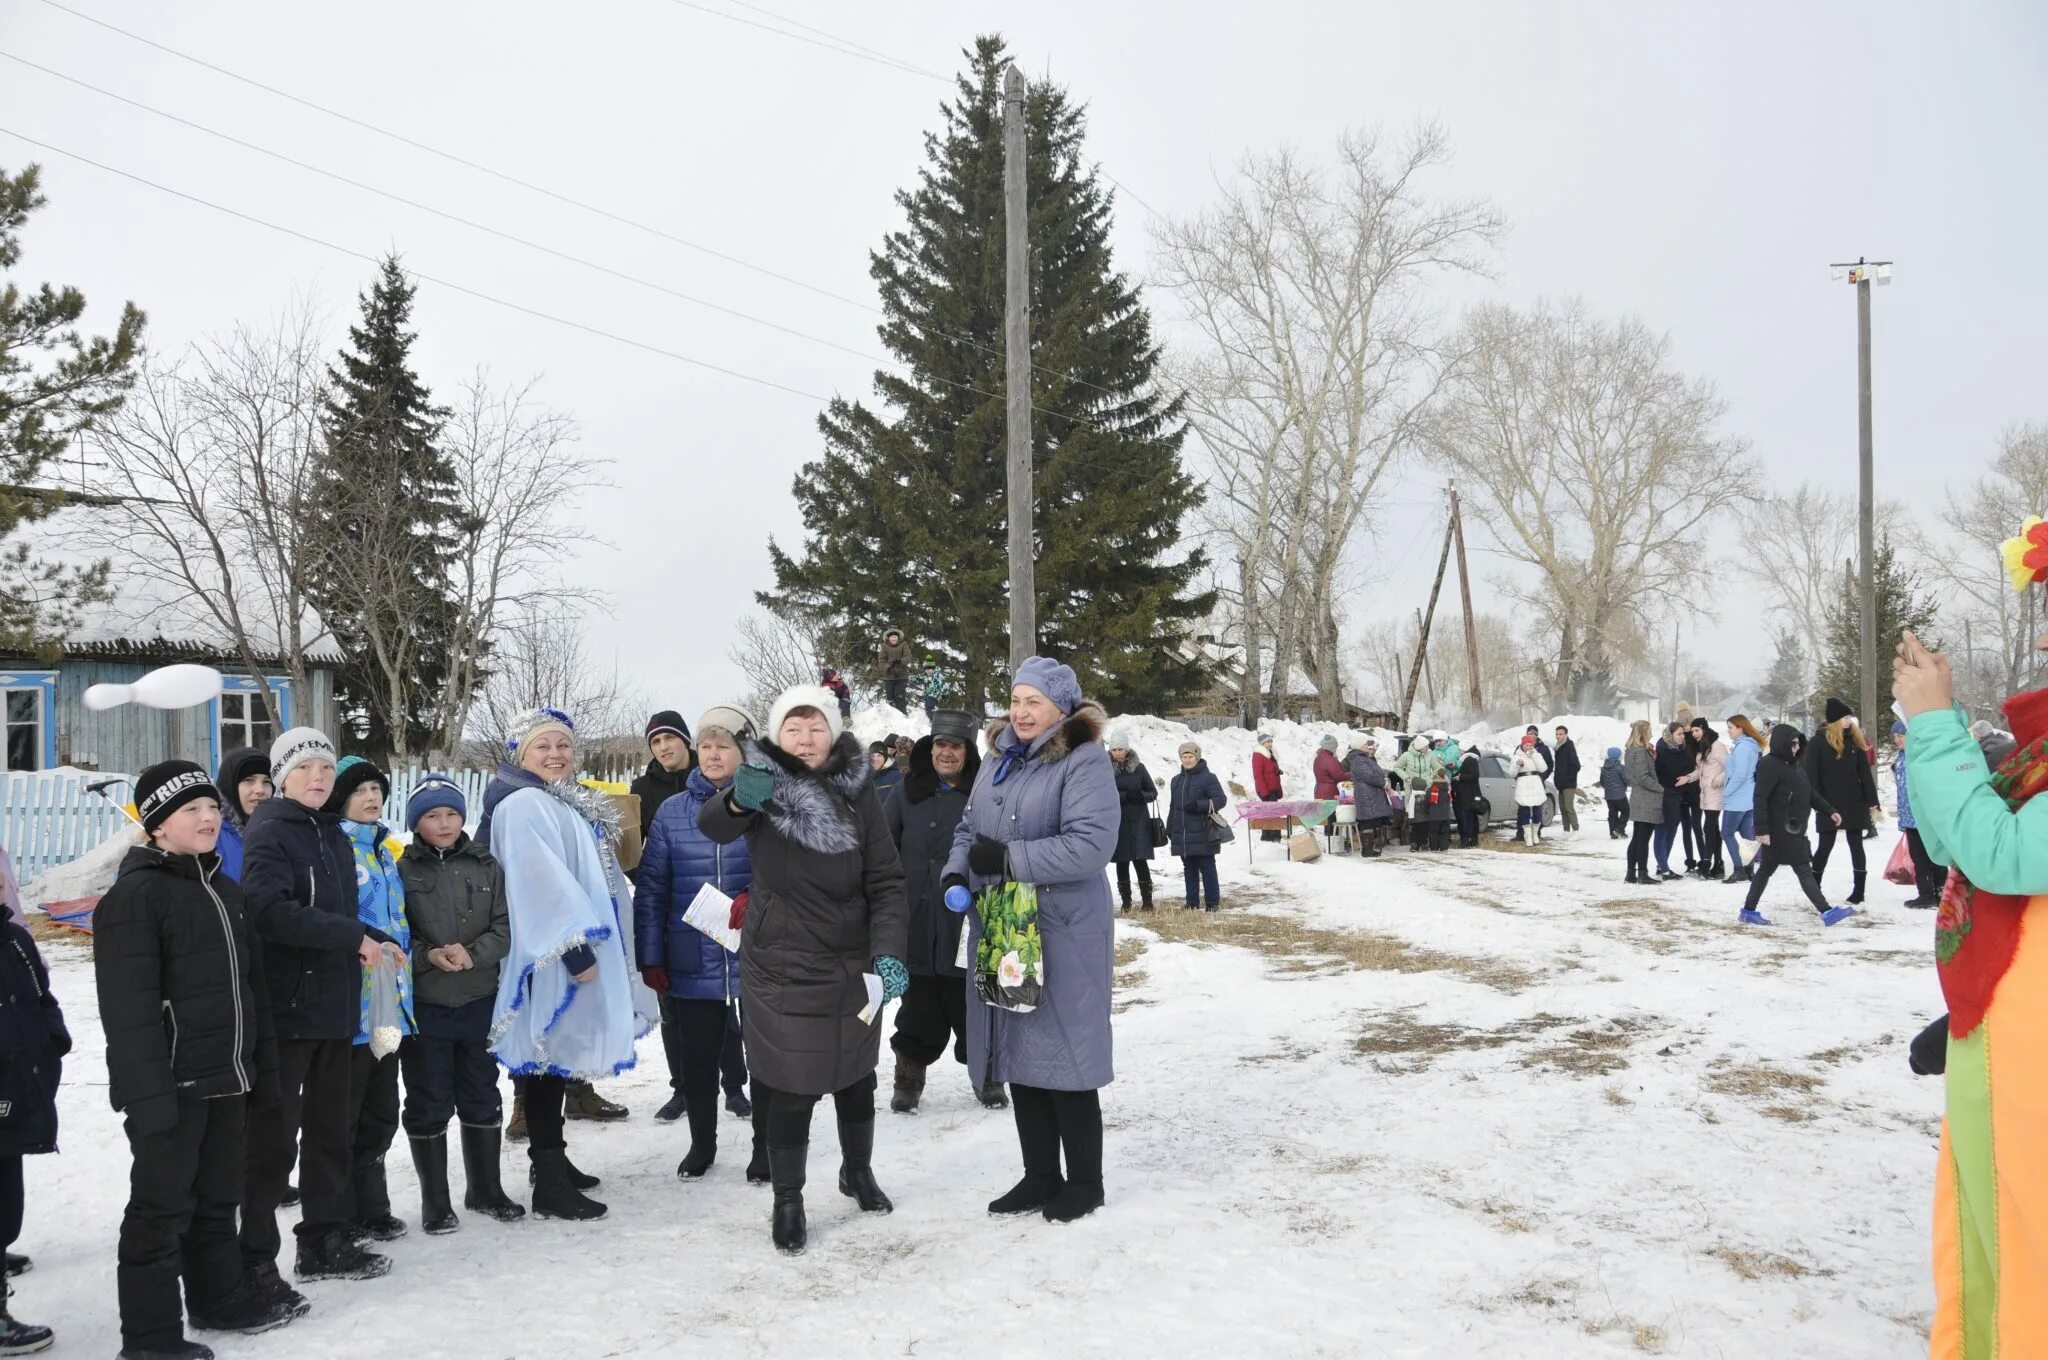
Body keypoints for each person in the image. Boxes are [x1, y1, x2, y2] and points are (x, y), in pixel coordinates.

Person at [96, 760, 300, 1356]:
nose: (210, 817)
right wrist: (148, 1099)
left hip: (228, 1078)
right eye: (192, 810)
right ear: (157, 825)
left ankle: (219, 1300)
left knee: (218, 1201)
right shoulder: (136, 898)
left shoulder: (224, 890)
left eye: (212, 807)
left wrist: (260, 1074)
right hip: (172, 1089)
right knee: (160, 1213)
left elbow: (252, 993)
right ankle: (151, 1339)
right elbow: (128, 1015)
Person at [700, 687, 909, 1255]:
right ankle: (787, 1199)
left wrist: (889, 951)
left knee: (857, 1075)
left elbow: (886, 879)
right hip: (783, 961)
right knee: (792, 1085)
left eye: (816, 727)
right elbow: (713, 825)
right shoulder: (762, 782)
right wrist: (741, 801)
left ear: (834, 732)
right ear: (777, 736)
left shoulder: (859, 789)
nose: (806, 738)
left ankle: (856, 1171)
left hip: (852, 959)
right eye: (794, 728)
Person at [1893, 606, 2048, 1357]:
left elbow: (2002, 854)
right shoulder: (2037, 750)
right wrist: (1937, 723)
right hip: (2008, 1041)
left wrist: (1932, 726)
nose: (2044, 639)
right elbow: (1957, 838)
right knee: (1998, 1235)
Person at [944, 658, 1118, 1224]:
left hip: (1061, 928)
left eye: (1033, 702)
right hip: (1003, 923)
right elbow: (969, 830)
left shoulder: (1084, 760)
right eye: (1016, 700)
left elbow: (1091, 845)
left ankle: (1085, 1182)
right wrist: (956, 872)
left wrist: (1010, 859)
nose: (1020, 712)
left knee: (1066, 1049)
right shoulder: (996, 760)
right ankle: (1041, 1174)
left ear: (1060, 708)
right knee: (1019, 1048)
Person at [485, 707, 657, 1223]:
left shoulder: (558, 799)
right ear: (521, 754)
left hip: (570, 948)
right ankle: (549, 1181)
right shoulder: (523, 805)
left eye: (563, 745)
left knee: (554, 1061)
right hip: (554, 952)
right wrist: (577, 950)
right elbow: (537, 882)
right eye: (544, 747)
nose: (556, 755)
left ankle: (552, 1163)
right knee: (543, 1062)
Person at [240, 728, 395, 1293]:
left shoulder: (330, 834)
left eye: (325, 768)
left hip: (335, 1007)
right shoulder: (270, 832)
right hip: (287, 1010)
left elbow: (337, 912)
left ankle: (324, 1242)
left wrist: (378, 936)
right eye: (304, 768)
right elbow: (268, 914)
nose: (318, 778)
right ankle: (254, 1257)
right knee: (273, 1143)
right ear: (283, 776)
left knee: (332, 1131)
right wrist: (354, 935)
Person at [635, 704, 768, 1182]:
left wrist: (760, 895)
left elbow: (788, 867)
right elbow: (652, 888)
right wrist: (651, 954)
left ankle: (765, 1148)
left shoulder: (765, 801)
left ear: (743, 751)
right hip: (691, 951)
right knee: (697, 1057)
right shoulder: (672, 812)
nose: (712, 754)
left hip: (758, 950)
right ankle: (702, 1144)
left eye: (723, 745)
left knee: (765, 1056)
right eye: (706, 746)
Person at [395, 775, 524, 1234]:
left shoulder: (486, 864)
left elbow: (505, 926)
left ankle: (485, 1189)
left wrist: (475, 953)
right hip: (427, 1006)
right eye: (432, 816)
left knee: (481, 1092)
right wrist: (427, 956)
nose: (444, 823)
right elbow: (395, 934)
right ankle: (435, 1201)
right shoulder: (402, 870)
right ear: (416, 824)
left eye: (451, 814)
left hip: (477, 1000)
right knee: (428, 1098)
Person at [886, 710, 1003, 1112]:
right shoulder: (905, 791)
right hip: (917, 915)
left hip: (968, 917)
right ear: (930, 748)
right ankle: (908, 1075)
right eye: (940, 745)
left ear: (968, 752)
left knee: (973, 997)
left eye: (955, 746)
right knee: (917, 1001)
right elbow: (884, 848)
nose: (946, 753)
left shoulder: (984, 793)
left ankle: (987, 1075)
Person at [326, 757, 415, 1244]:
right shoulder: (335, 848)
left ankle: (372, 1205)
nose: (371, 797)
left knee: (382, 1108)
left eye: (376, 789)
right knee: (347, 1113)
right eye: (359, 789)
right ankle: (340, 1213)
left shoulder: (384, 849)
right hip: (350, 1009)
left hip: (389, 1007)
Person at [0, 901, 65, 1354]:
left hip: (16, 1085)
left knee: (6, 1202)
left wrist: (52, 1038)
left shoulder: (13, 937)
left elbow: (42, 997)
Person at [1742, 724, 1853, 927]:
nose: (1795, 747)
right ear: (1782, 743)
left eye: (1798, 744)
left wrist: (1830, 810)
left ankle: (1748, 910)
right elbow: (1760, 798)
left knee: (1766, 869)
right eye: (1792, 743)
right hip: (1780, 829)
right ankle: (1827, 912)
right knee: (1803, 868)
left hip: (1794, 826)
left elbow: (1808, 793)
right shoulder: (1769, 764)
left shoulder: (1794, 764)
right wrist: (1761, 830)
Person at [1806, 699, 1882, 904]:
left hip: (1853, 801)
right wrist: (1819, 804)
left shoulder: (1854, 742)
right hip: (1828, 803)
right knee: (1825, 845)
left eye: (1850, 717)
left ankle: (1859, 891)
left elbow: (1864, 773)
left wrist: (1872, 801)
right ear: (1834, 720)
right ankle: (1814, 888)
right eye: (1845, 717)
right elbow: (1811, 778)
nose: (1850, 721)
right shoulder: (1817, 743)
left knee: (1856, 844)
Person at [1892, 719, 1945, 908]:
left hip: (1925, 815)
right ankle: (1926, 893)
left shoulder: (1921, 755)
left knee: (1933, 856)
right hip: (1909, 816)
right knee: (1918, 857)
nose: (1897, 740)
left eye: (1901, 736)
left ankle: (1940, 892)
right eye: (1895, 737)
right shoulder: (1901, 756)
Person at [1167, 742, 1225, 907]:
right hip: (1183, 831)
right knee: (1188, 868)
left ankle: (1212, 903)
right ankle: (1191, 902)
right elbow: (1173, 806)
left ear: (1197, 757)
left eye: (1190, 756)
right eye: (1184, 757)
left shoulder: (1208, 778)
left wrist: (1200, 805)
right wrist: (1170, 827)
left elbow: (1221, 800)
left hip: (1203, 830)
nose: (1187, 760)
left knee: (1207, 868)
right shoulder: (1176, 780)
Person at [1107, 731, 1158, 910]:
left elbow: (1153, 792)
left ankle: (1147, 901)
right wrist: (1125, 796)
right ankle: (1126, 902)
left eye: (1120, 748)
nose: (1118, 752)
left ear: (1127, 749)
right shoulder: (1104, 768)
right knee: (1122, 862)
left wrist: (1141, 796)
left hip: (1139, 820)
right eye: (1114, 749)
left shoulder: (1139, 768)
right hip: (1117, 820)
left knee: (1140, 860)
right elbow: (1101, 793)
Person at [629, 711, 694, 842]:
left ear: (685, 741)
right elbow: (632, 850)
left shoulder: (708, 779)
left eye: (669, 737)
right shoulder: (642, 788)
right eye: (656, 742)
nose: (663, 747)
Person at [212, 747, 271, 883]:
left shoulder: (278, 830)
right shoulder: (211, 833)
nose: (260, 790)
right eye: (249, 780)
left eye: (266, 781)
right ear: (230, 785)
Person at [1720, 716, 1766, 883]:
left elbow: (1739, 775)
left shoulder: (1742, 748)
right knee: (1747, 834)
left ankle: (1739, 868)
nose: (1729, 730)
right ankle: (1748, 869)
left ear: (1741, 728)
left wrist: (1726, 793)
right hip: (1748, 797)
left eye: (1731, 727)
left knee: (1727, 833)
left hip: (1737, 799)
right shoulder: (1751, 745)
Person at [1651, 722, 1696, 880]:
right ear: (1670, 735)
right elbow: (1655, 773)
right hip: (1664, 795)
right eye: (1679, 734)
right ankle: (1664, 869)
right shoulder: (1661, 750)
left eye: (1683, 734)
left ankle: (1661, 865)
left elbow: (1691, 766)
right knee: (1662, 831)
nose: (1683, 737)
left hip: (1679, 796)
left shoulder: (1684, 748)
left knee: (1672, 830)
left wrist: (1688, 777)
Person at [1622, 721, 1665, 886]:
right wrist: (1660, 788)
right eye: (1650, 731)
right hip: (1647, 798)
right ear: (1642, 733)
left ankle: (1631, 873)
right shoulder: (1640, 752)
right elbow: (1643, 776)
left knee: (1637, 838)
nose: (1652, 734)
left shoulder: (1630, 751)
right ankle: (1642, 874)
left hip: (1638, 797)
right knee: (1643, 839)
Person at [1346, 737, 1392, 856]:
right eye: (1365, 744)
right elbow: (1369, 776)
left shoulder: (1364, 758)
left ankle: (1370, 849)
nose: (1367, 746)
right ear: (1359, 746)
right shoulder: (1358, 760)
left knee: (1372, 821)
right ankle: (1367, 850)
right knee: (1368, 822)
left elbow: (1374, 773)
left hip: (1371, 794)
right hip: (1366, 795)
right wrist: (1383, 783)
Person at [1694, 723, 1727, 880]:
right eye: (1693, 730)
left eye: (1697, 730)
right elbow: (1699, 770)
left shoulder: (1717, 746)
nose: (1694, 733)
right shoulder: (1703, 746)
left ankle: (1706, 863)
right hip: (1706, 793)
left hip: (1716, 792)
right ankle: (1718, 864)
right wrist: (1688, 777)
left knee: (1708, 826)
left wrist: (1718, 779)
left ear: (1704, 730)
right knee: (1713, 828)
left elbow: (1731, 767)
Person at [1511, 733, 1549, 845]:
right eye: (1526, 745)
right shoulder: (1516, 756)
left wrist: (1534, 756)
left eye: (1530, 745)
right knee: (1525, 812)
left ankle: (1535, 834)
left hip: (1536, 784)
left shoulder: (1537, 755)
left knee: (1537, 811)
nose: (1528, 747)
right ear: (1522, 745)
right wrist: (1517, 765)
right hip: (1523, 784)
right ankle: (1527, 836)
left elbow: (1543, 769)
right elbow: (1512, 773)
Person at [1251, 734, 1284, 841]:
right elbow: (1258, 775)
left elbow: (1270, 770)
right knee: (1273, 812)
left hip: (1273, 788)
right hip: (1266, 790)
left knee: (1270, 812)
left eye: (1271, 741)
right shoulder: (1258, 755)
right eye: (1267, 742)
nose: (1270, 743)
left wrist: (1277, 772)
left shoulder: (1271, 754)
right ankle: (1273, 836)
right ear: (1262, 743)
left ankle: (1267, 836)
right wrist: (1264, 792)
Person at [1451, 743, 1483, 848]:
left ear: (1466, 749)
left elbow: (1474, 775)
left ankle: (1467, 840)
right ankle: (1472, 840)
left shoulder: (1470, 759)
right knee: (1470, 817)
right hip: (1468, 793)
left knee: (1467, 817)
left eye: (1461, 749)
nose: (1459, 751)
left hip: (1468, 793)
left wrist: (1460, 777)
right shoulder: (1468, 759)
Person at [1550, 726, 1580, 834]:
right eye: (1557, 734)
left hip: (1569, 784)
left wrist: (1568, 778)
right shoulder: (1558, 747)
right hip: (1560, 783)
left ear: (1566, 735)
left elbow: (1576, 766)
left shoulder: (1569, 747)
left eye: (1560, 734)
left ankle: (1576, 830)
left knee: (1568, 807)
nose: (1558, 736)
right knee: (1562, 808)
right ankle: (1566, 830)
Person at [878, 628, 913, 711]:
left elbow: (908, 657)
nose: (893, 639)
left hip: (901, 676)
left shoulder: (903, 644)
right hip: (888, 676)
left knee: (899, 697)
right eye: (892, 637)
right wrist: (887, 667)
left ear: (898, 637)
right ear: (888, 638)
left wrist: (900, 661)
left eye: (895, 637)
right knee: (890, 699)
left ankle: (902, 716)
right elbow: (881, 660)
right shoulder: (884, 646)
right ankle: (892, 719)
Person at [1599, 746, 1629, 838]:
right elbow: (1626, 780)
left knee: (1612, 813)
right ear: (1618, 756)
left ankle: (1613, 833)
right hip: (1620, 795)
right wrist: (1626, 785)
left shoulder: (1604, 768)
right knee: (1626, 811)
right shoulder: (1620, 767)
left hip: (1609, 796)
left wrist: (1608, 789)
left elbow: (1602, 781)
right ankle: (1619, 829)